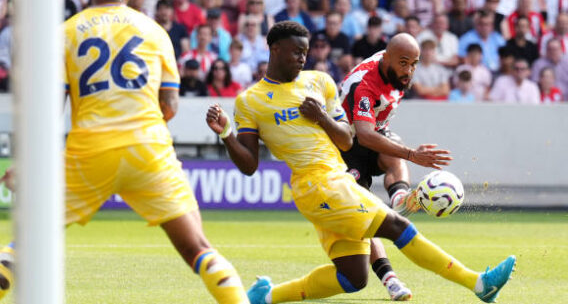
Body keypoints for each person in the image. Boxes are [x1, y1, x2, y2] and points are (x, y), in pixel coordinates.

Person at [0, 0, 249, 303]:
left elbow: (49, 112)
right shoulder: (155, 31)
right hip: (148, 149)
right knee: (198, 249)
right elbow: (170, 104)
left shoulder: (64, 33)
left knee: (27, 243)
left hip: (90, 152)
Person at [206, 21, 516, 304]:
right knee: (398, 227)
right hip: (317, 183)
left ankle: (266, 297)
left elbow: (345, 140)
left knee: (353, 277)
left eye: (305, 52)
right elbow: (248, 165)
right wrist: (227, 135)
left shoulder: (319, 82)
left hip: (334, 178)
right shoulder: (251, 101)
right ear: (274, 49)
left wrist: (322, 117)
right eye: (295, 52)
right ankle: (478, 284)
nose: (302, 58)